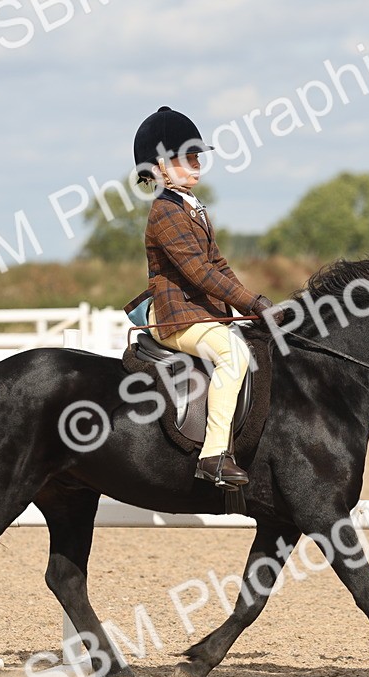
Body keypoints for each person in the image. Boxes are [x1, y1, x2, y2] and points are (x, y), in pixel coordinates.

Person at [123, 106, 284, 488]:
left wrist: (256, 302)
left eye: (197, 157)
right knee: (234, 354)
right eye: (187, 158)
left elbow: (218, 263)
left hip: (203, 315)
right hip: (176, 318)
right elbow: (199, 272)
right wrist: (251, 303)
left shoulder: (193, 208)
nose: (196, 164)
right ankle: (212, 455)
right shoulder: (165, 212)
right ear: (160, 166)